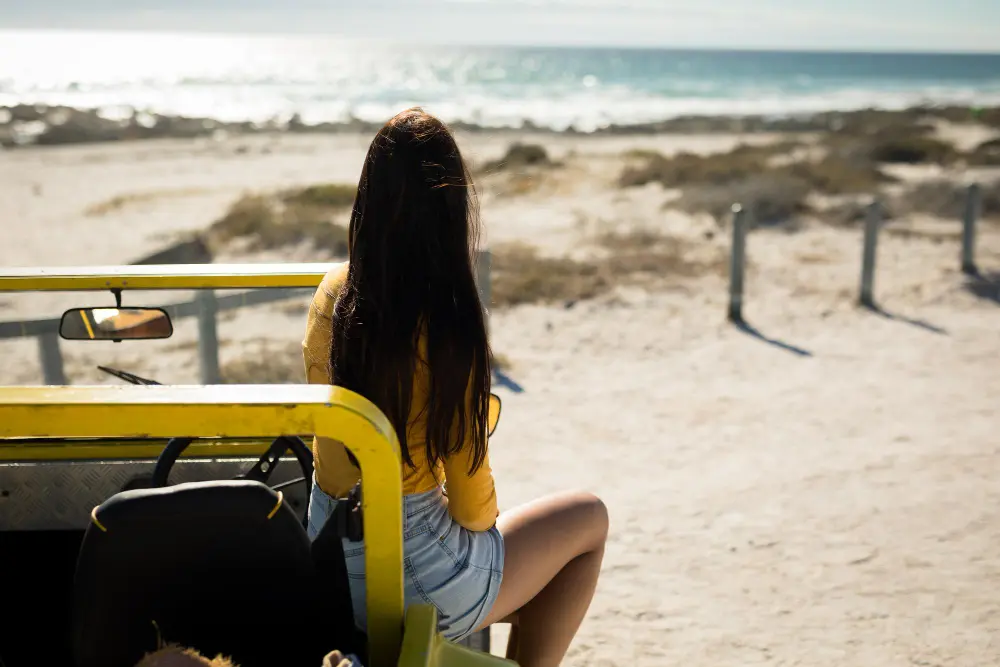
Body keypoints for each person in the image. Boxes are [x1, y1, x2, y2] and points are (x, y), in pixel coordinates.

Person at [302, 108, 608, 667]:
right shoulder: (447, 320)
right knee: (588, 520)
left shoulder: (333, 295)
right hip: (416, 574)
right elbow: (473, 513)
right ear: (451, 209)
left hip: (326, 559)